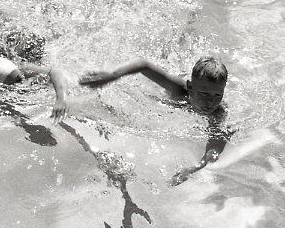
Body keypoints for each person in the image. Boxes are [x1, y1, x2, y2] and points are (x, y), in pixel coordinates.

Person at [79, 56, 230, 182]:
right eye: (204, 94)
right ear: (190, 86)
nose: (211, 102)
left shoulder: (217, 113)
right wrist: (112, 76)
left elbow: (215, 144)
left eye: (218, 95)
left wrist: (195, 168)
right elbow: (143, 64)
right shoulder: (178, 89)